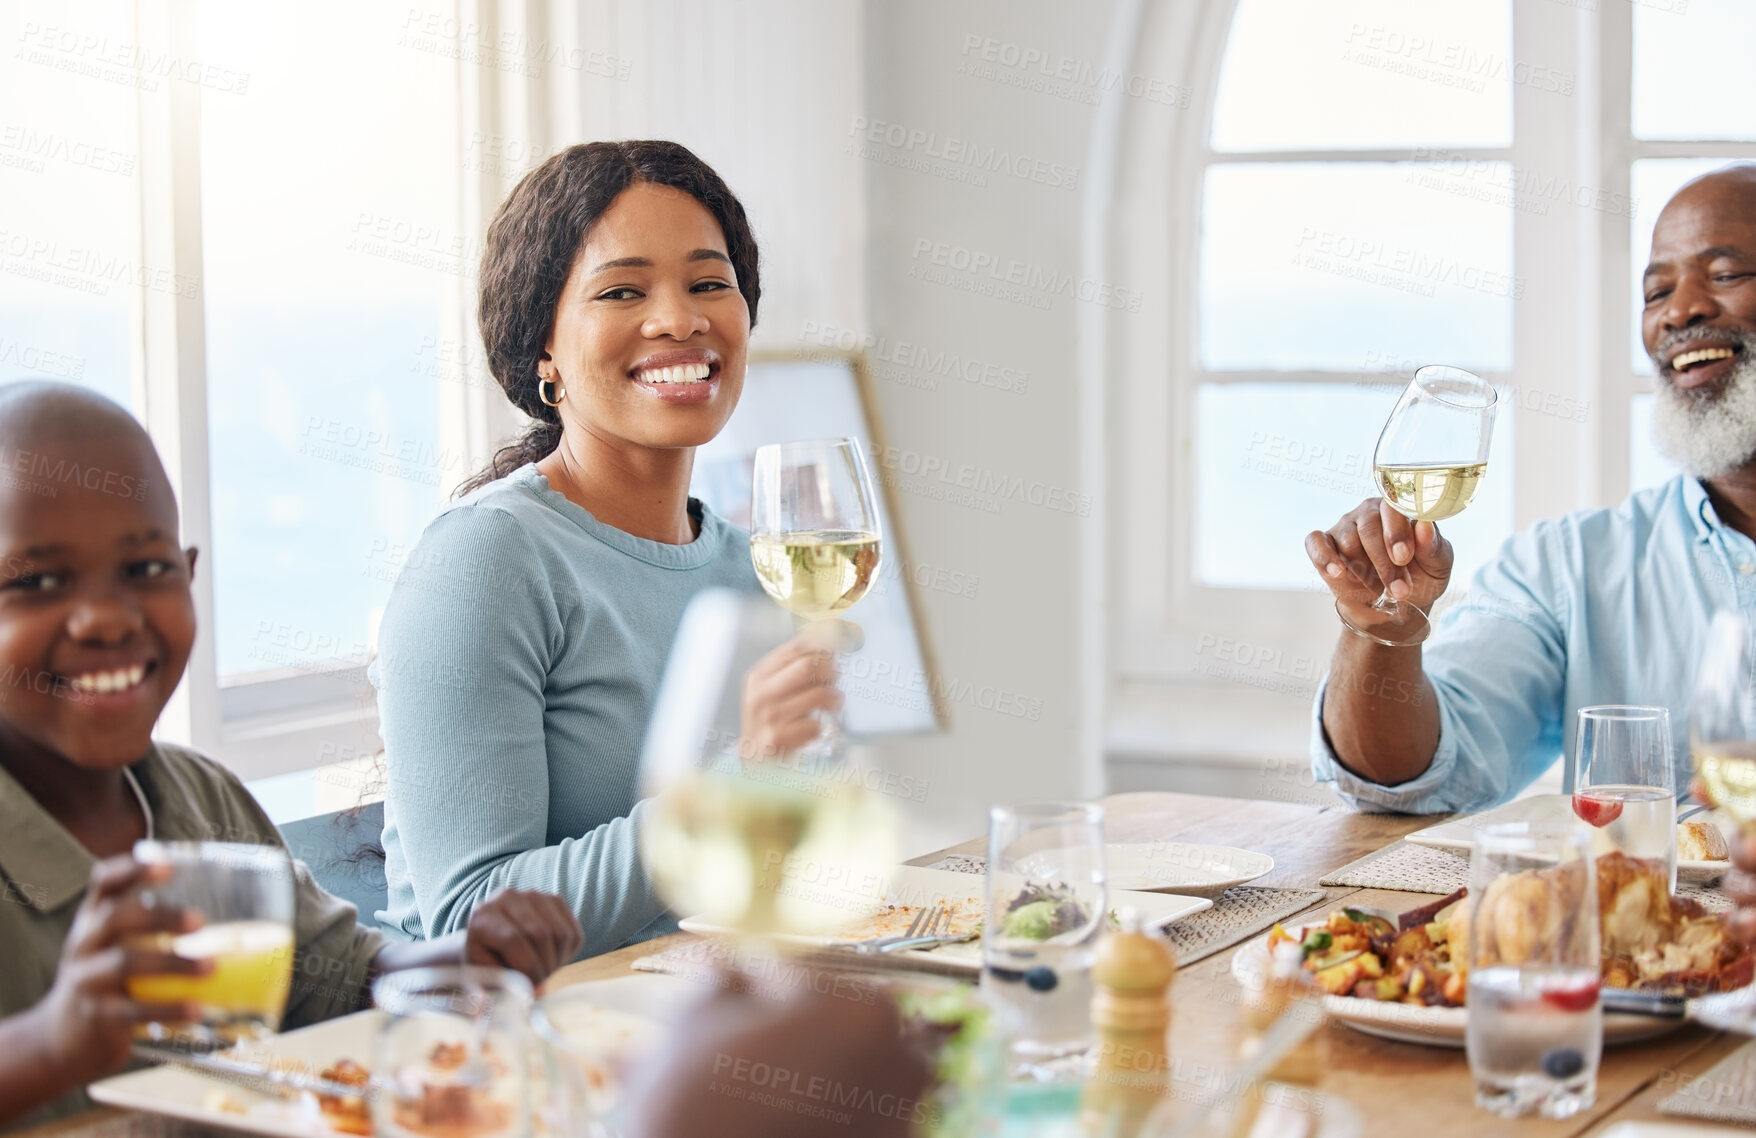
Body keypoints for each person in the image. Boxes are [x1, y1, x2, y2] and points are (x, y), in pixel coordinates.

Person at [0, 382, 584, 1131]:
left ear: (190, 574)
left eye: (144, 570)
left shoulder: (201, 802)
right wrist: (57, 1042)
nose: (108, 619)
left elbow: (347, 983)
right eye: (39, 582)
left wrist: (470, 957)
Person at [371, 141, 841, 957]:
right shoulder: (486, 562)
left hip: (703, 1025)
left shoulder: (753, 570)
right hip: (512, 1048)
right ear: (543, 350)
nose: (679, 319)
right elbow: (472, 922)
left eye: (708, 284)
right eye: (623, 290)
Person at [1305, 163, 1756, 816]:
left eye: (1725, 274)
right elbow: (1409, 775)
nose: (1679, 311)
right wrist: (1383, 635)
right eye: (1656, 292)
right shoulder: (1570, 568)